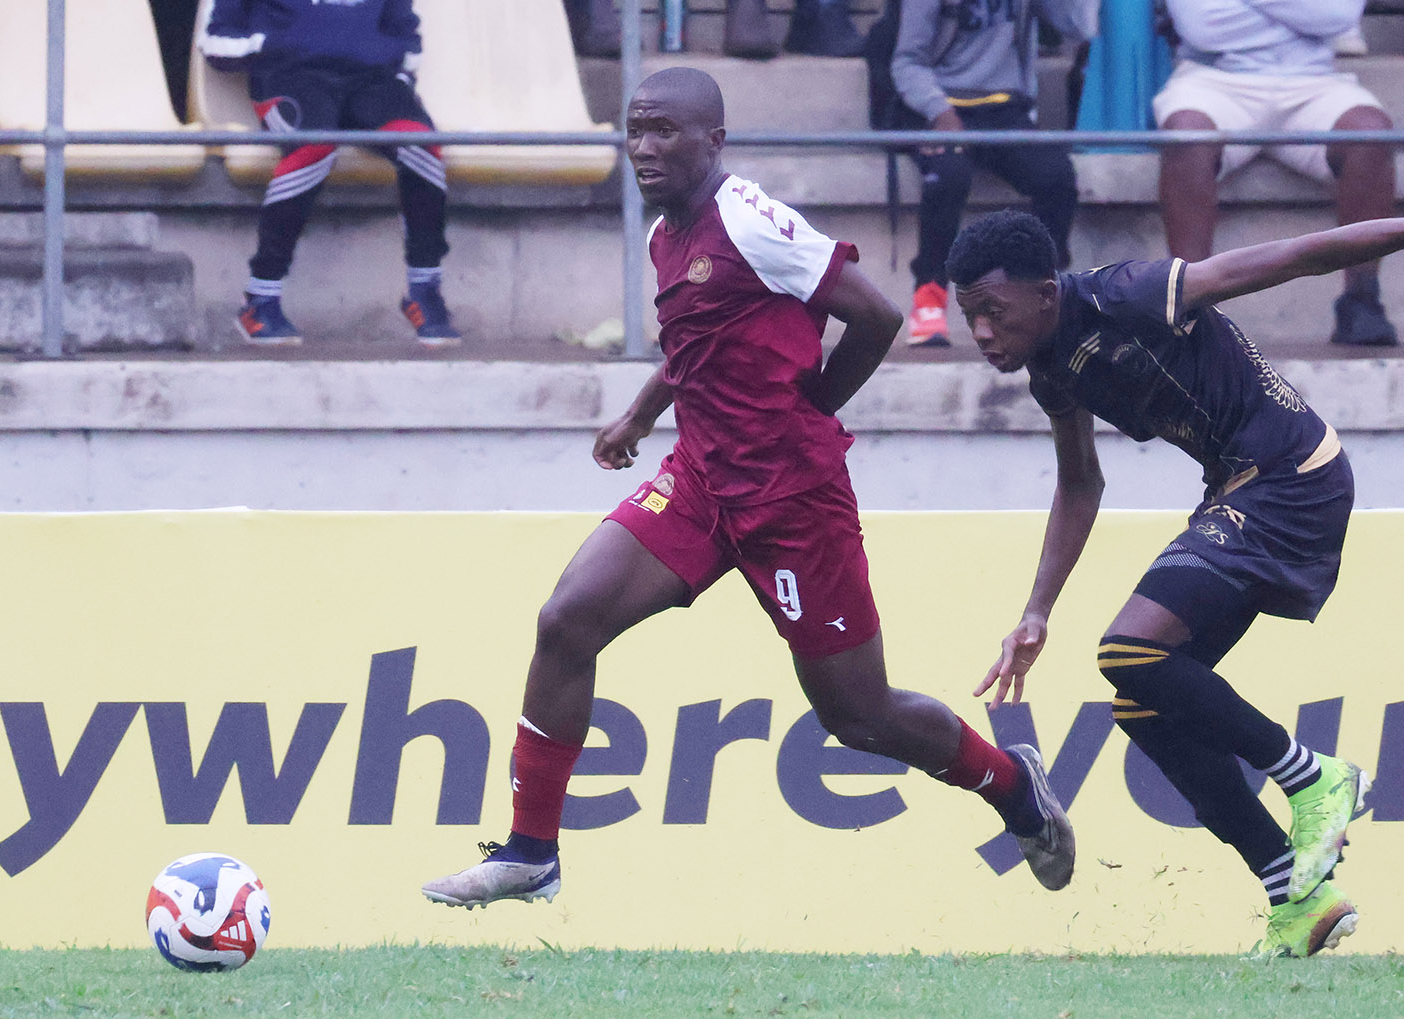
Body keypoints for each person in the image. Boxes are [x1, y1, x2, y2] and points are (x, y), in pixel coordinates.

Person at [421, 67, 1075, 910]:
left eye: (666, 132)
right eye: (636, 130)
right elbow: (704, 337)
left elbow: (873, 316)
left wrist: (815, 405)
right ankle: (529, 851)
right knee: (565, 619)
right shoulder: (667, 234)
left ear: (715, 141)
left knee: (861, 716)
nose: (645, 148)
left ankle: (1011, 788)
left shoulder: (752, 220)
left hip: (793, 501)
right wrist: (640, 414)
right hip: (699, 480)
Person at [949, 184, 1404, 955]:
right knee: (1143, 701)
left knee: (1128, 651)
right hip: (1240, 486)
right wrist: (1037, 610)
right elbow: (1080, 482)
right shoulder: (1051, 372)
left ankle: (1313, 776)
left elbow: (1295, 256)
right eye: (970, 316)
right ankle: (1294, 897)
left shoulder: (1129, 294)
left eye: (995, 310)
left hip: (1294, 473)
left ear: (1045, 292)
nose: (983, 331)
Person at [200, 0, 460, 347]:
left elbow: (407, 39)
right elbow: (215, 42)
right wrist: (278, 45)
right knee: (314, 147)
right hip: (290, 78)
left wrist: (393, 71)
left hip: (373, 83)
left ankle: (424, 290)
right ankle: (260, 299)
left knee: (421, 146)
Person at [1154, 0, 1401, 346]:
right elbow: (1202, 25)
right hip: (1214, 80)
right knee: (1188, 137)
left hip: (1315, 81)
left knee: (1370, 135)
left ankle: (1362, 301)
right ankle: (1190, 307)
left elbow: (1338, 16)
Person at [890, 0, 1100, 347]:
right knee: (948, 175)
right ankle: (929, 296)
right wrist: (938, 111)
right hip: (941, 104)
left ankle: (1044, 291)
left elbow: (1077, 29)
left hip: (1006, 108)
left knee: (1056, 176)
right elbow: (906, 61)